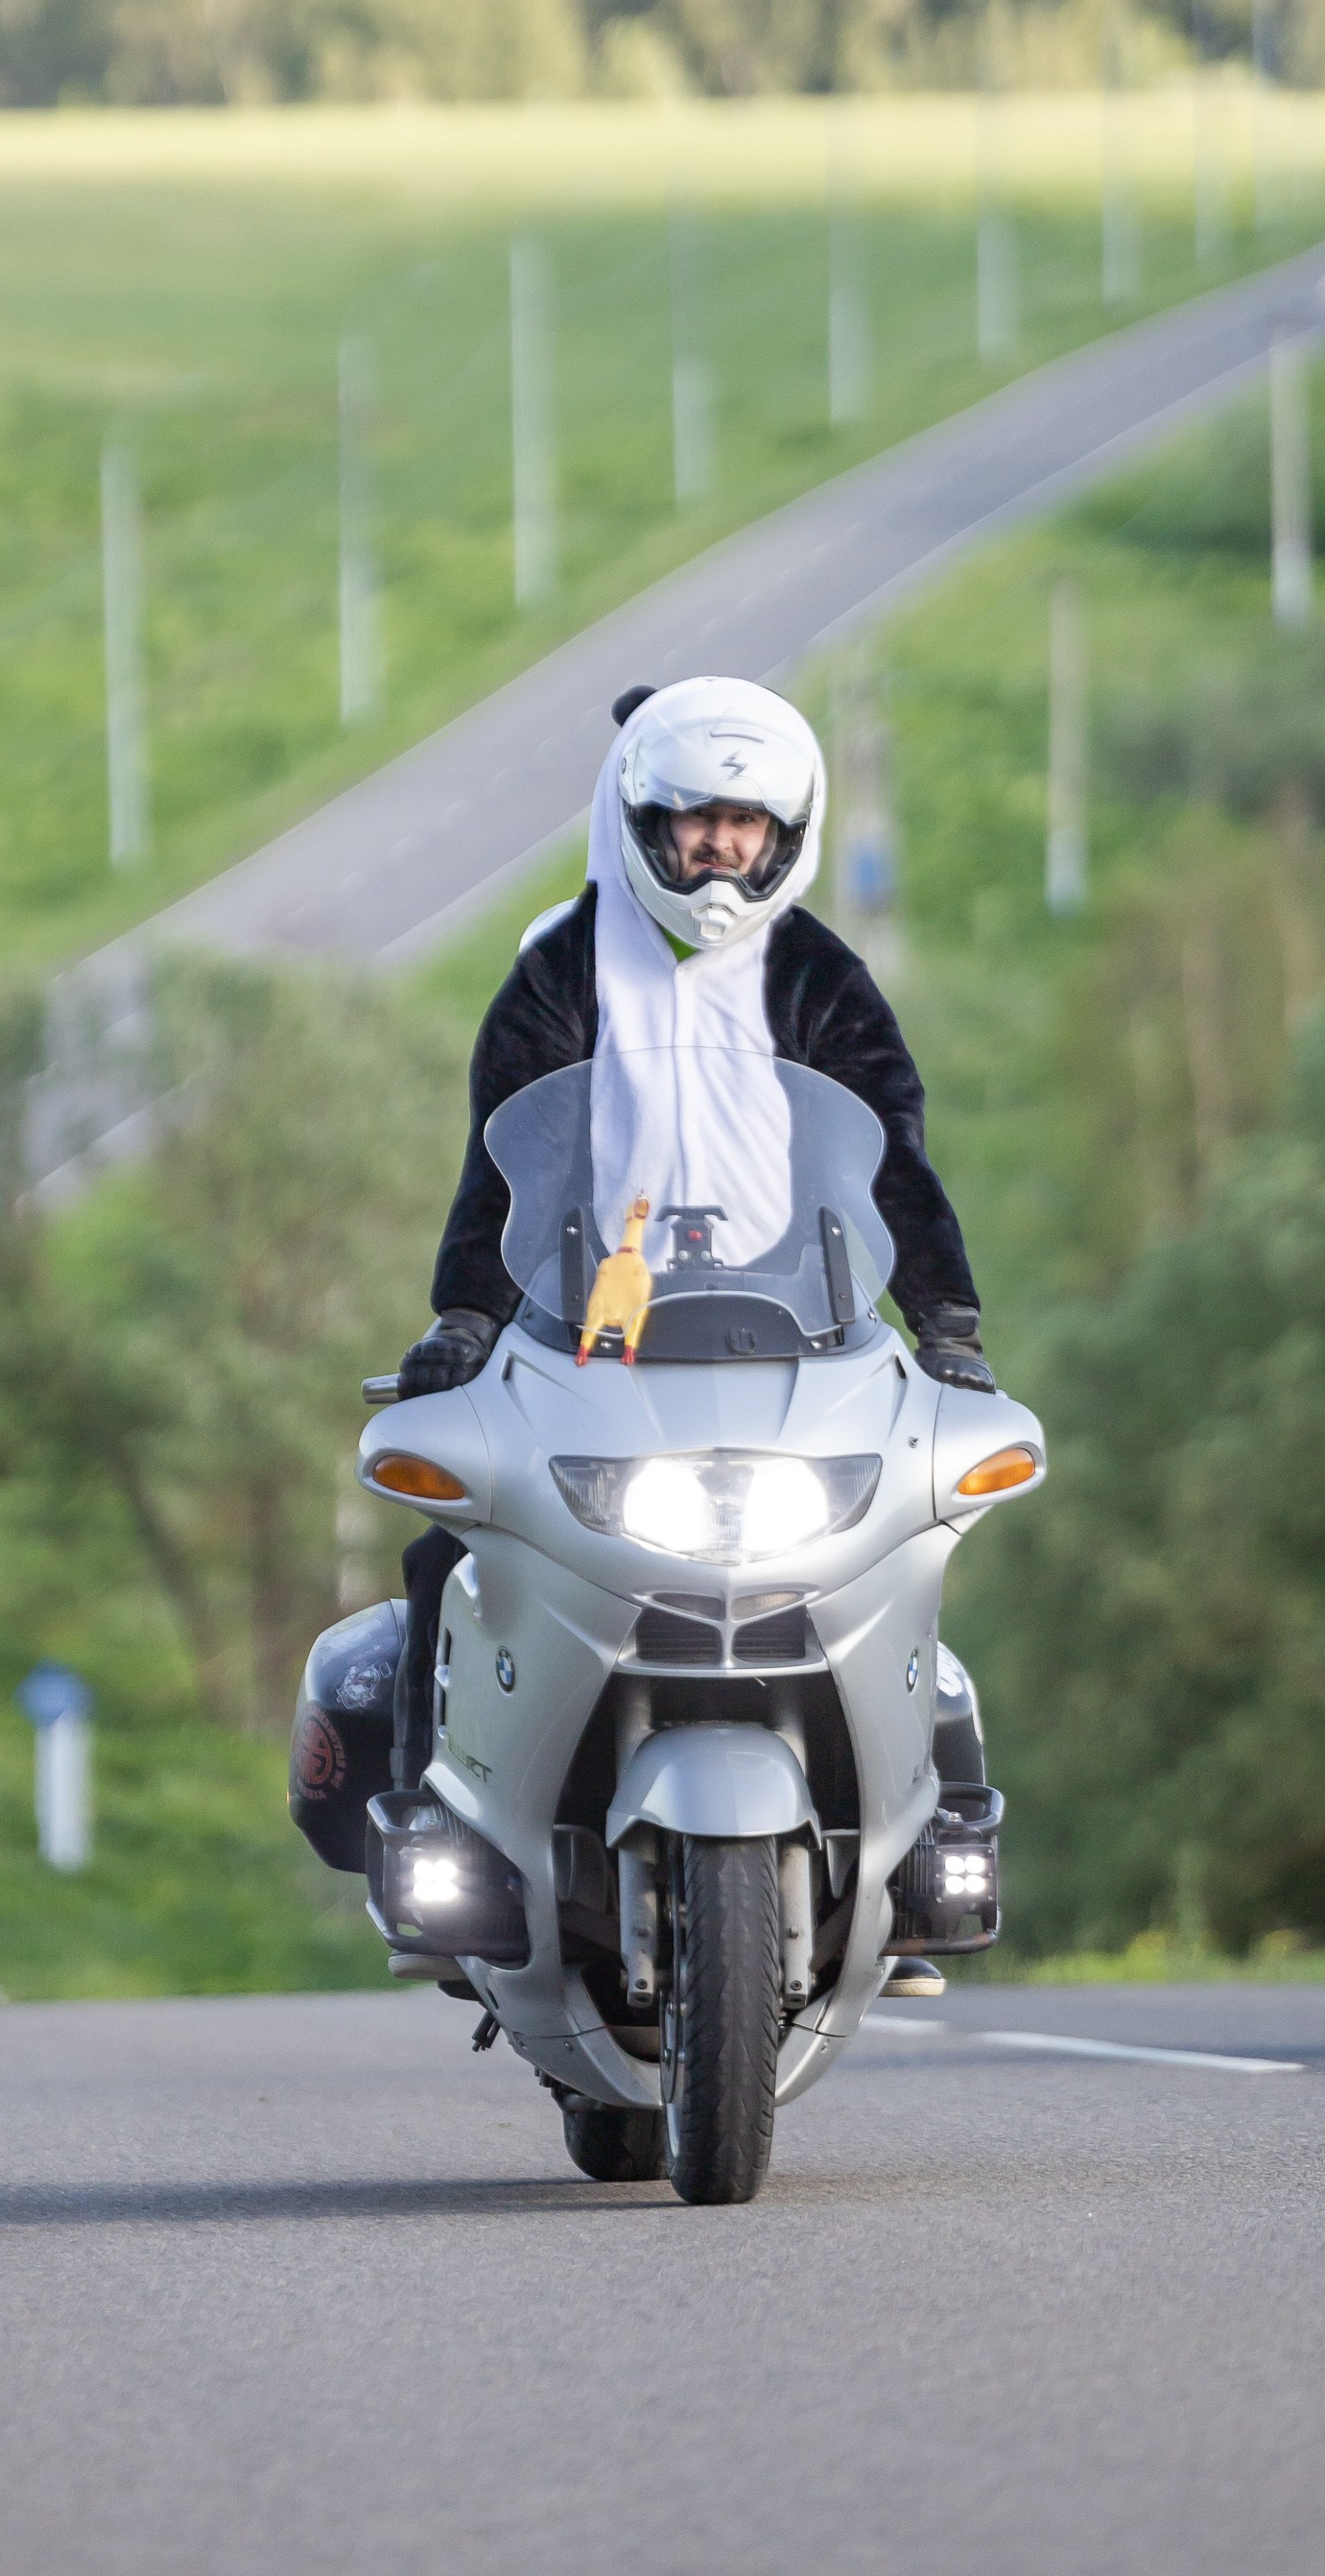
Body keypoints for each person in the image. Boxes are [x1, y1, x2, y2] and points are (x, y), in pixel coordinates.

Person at [390, 677, 995, 1826]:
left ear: (782, 837)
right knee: (457, 1548)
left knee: (888, 1556)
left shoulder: (816, 972)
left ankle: (928, 1837)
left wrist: (945, 1322)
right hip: (588, 1328)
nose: (719, 848)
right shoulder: (564, 965)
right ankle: (440, 1819)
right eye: (695, 822)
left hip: (795, 1333)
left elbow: (889, 1156)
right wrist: (464, 1315)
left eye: (744, 824)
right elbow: (502, 1155)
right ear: (646, 824)